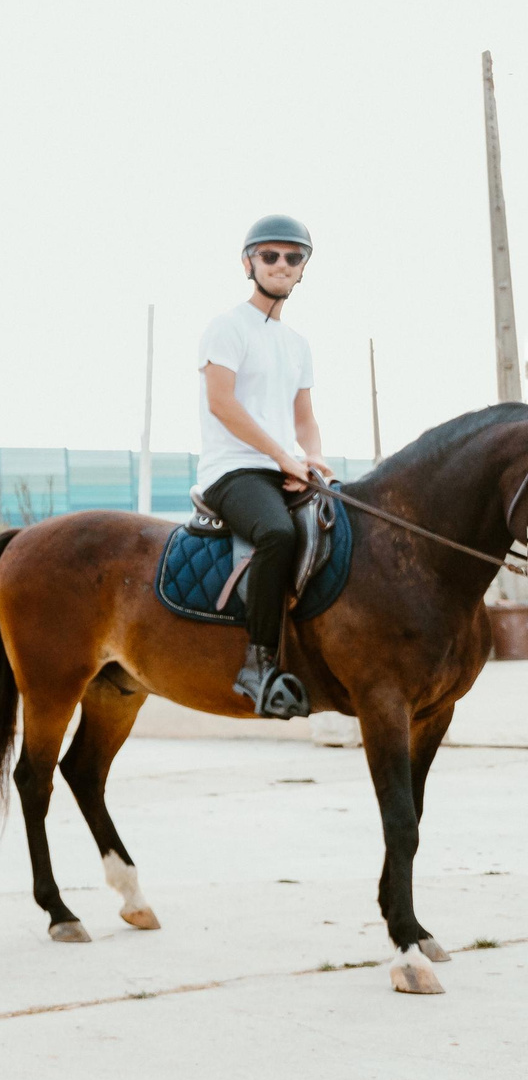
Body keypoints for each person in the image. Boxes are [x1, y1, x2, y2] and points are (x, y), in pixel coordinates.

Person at [194, 215, 329, 719]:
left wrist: (313, 461)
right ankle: (258, 664)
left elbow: (305, 419)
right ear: (248, 262)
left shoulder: (297, 345)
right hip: (233, 471)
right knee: (277, 533)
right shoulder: (227, 327)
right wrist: (282, 456)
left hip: (283, 468)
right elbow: (222, 404)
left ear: (302, 269)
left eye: (293, 257)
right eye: (270, 255)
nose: (282, 265)